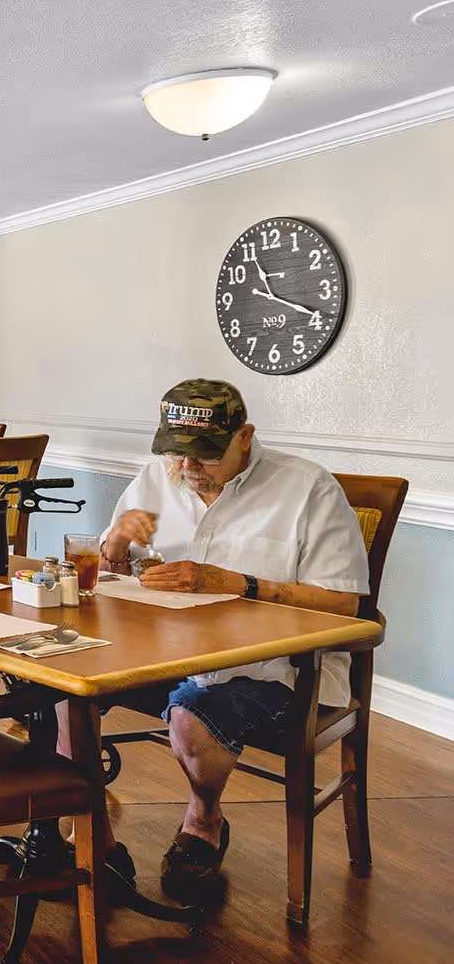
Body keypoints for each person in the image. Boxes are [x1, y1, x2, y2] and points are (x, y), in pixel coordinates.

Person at [87, 379, 369, 904]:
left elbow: (346, 606)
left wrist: (241, 584)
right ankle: (94, 842)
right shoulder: (156, 479)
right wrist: (116, 545)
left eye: (205, 456)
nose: (187, 469)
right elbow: (113, 569)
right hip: (163, 653)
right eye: (176, 454)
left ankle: (203, 819)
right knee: (64, 689)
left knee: (194, 715)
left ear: (245, 437)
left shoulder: (307, 489)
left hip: (279, 671)